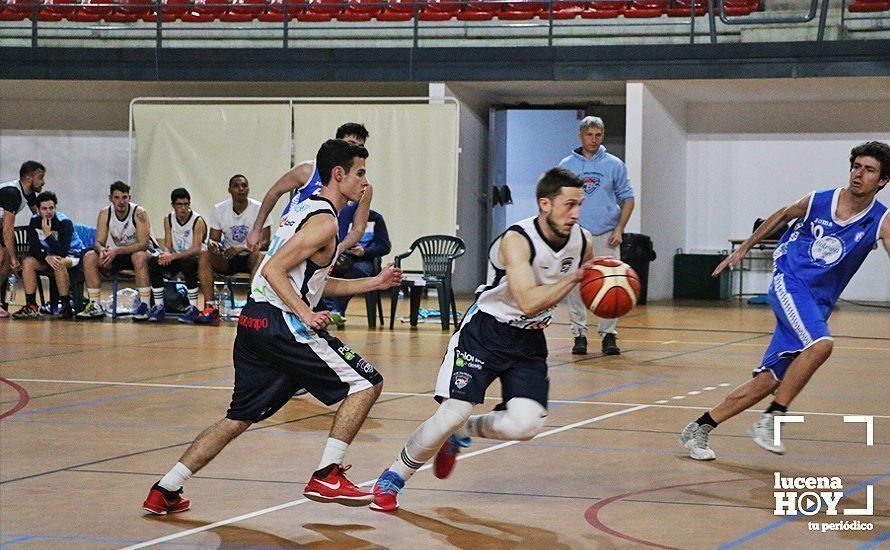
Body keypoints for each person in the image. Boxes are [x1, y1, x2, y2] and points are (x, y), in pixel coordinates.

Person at [142, 139, 403, 515]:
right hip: (281, 323)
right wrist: (306, 314)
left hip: (254, 321)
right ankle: (327, 474)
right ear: (339, 174)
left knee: (237, 419)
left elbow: (313, 283)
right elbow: (273, 269)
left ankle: (166, 489)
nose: (366, 183)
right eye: (360, 173)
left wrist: (373, 283)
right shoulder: (325, 221)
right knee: (366, 383)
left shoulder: (303, 211)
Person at [370, 167, 596, 512]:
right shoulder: (517, 239)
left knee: (526, 425)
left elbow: (593, 282)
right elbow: (528, 300)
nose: (576, 213)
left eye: (580, 204)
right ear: (545, 204)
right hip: (485, 333)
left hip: (529, 341)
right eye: (569, 205)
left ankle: (461, 433)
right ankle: (393, 477)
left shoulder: (584, 240)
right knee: (450, 413)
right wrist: (575, 279)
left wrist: (609, 285)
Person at [679, 141, 890, 461]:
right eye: (856, 166)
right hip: (790, 282)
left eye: (869, 170)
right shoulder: (821, 200)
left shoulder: (881, 220)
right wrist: (744, 247)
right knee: (821, 344)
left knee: (770, 379)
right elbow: (781, 215)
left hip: (818, 302)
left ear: (883, 181)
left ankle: (699, 428)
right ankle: (772, 418)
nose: (859, 174)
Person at [558, 116, 635, 356]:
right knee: (575, 283)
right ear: (581, 136)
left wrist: (619, 229)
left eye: (598, 135)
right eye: (589, 134)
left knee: (611, 284)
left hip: (606, 234)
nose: (593, 139)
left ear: (603, 137)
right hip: (576, 235)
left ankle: (609, 335)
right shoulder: (566, 165)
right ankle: (579, 334)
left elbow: (628, 199)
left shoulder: (614, 164)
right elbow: (558, 200)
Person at [245, 123, 374, 261]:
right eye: (351, 144)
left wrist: (338, 249)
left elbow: (358, 228)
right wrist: (256, 230)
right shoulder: (309, 170)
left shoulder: (363, 186)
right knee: (265, 267)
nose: (355, 150)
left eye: (360, 147)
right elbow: (274, 193)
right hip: (293, 237)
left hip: (323, 247)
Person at [191, 174, 272, 326]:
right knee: (205, 255)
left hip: (250, 257)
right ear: (229, 190)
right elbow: (213, 239)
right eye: (236, 186)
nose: (241, 189)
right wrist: (214, 246)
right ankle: (210, 307)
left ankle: (252, 304)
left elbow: (266, 241)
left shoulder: (259, 208)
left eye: (244, 186)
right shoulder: (220, 209)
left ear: (248, 189)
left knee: (260, 255)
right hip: (228, 257)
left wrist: (242, 247)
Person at [77, 181, 158, 320]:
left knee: (138, 256)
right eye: (117, 198)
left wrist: (116, 251)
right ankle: (95, 304)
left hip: (144, 254)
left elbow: (144, 244)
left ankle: (145, 306)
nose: (121, 202)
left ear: (129, 198)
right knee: (90, 257)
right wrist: (102, 249)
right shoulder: (105, 213)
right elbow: (98, 241)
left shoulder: (139, 213)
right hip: (120, 253)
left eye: (124, 197)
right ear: (110, 198)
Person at [11, 192, 84, 320]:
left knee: (58, 262)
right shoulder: (34, 221)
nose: (48, 211)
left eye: (51, 208)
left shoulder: (64, 222)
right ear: (39, 210)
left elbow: (63, 251)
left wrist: (48, 234)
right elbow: (33, 248)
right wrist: (45, 257)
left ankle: (65, 305)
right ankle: (31, 305)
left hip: (72, 255)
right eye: (44, 208)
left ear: (55, 207)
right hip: (48, 256)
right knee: (28, 262)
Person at [142, 188, 207, 323]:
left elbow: (196, 248)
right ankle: (159, 305)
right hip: (176, 257)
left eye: (186, 204)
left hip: (194, 258)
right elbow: (168, 245)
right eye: (179, 204)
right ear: (173, 205)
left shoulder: (197, 220)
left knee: (187, 262)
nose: (183, 208)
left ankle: (193, 307)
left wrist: (172, 256)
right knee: (154, 261)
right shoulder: (169, 219)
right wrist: (165, 254)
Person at [321, 208, 391, 325]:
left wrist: (364, 251)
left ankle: (336, 310)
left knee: (356, 273)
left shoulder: (375, 218)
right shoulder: (341, 216)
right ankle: (332, 309)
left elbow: (385, 246)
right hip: (343, 257)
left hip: (366, 259)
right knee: (324, 273)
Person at [1, 161, 45, 318]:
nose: (43, 182)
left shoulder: (29, 194)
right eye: (40, 178)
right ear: (28, 178)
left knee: (6, 263)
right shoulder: (12, 193)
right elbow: (7, 229)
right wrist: (14, 257)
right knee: (4, 256)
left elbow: (38, 216)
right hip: (2, 227)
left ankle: (2, 302)